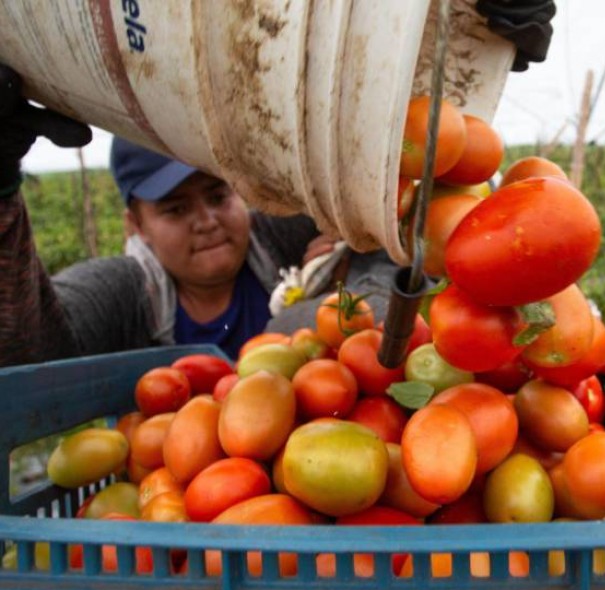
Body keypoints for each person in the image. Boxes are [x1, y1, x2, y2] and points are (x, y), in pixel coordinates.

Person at [0, 64, 397, 366]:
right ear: (136, 226)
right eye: (175, 209)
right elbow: (30, 345)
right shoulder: (125, 294)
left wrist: (350, 292)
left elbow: (385, 228)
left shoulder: (277, 235)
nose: (207, 220)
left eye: (217, 195)